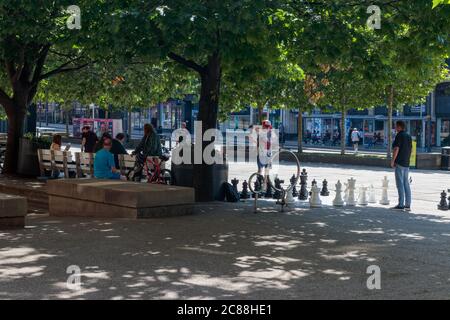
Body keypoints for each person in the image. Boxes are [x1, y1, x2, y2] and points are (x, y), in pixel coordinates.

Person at [391, 121, 412, 211]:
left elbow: (396, 149)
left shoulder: (399, 135)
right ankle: (407, 204)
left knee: (400, 184)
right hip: (406, 163)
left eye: (396, 126)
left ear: (399, 127)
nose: (395, 128)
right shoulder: (408, 136)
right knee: (406, 184)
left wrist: (393, 161)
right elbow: (411, 150)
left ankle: (400, 204)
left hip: (399, 162)